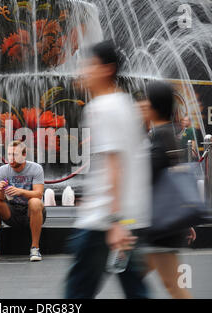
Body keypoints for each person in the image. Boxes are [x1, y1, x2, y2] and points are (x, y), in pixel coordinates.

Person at [64, 41, 152, 299]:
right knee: (135, 289)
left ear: (106, 69)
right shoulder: (126, 104)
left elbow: (115, 165)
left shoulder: (102, 107)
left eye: (89, 65)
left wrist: (115, 222)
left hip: (103, 223)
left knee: (77, 292)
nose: (82, 71)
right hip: (132, 217)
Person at [139, 81, 196, 298]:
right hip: (166, 225)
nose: (142, 104)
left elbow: (148, 178)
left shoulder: (161, 136)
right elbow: (174, 178)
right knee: (167, 283)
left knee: (170, 284)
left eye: (145, 100)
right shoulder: (168, 133)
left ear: (154, 105)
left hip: (160, 227)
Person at [0, 140, 46, 263]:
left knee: (35, 202)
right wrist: (0, 191)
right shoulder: (3, 170)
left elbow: (39, 194)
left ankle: (35, 248)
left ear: (24, 155)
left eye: (15, 154)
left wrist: (20, 191)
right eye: (9, 154)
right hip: (12, 211)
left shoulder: (36, 168)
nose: (11, 158)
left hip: (31, 212)